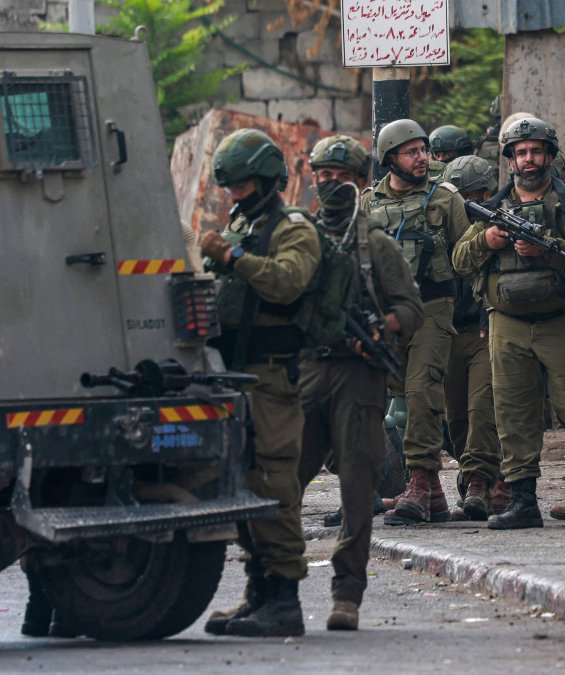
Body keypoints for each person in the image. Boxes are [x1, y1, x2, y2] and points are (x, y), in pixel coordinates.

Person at [452, 117, 565, 530]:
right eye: (520, 152)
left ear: (549, 156)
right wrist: (487, 240)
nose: (528, 159)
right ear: (510, 160)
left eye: (536, 151)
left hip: (564, 320)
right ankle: (522, 501)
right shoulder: (494, 209)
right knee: (513, 413)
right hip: (508, 323)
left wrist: (546, 249)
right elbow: (460, 259)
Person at [296, 135, 425, 630]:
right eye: (324, 177)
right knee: (281, 482)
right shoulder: (299, 238)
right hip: (308, 372)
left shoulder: (376, 245)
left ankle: (346, 595)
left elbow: (411, 309)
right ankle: (272, 586)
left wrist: (380, 328)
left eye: (343, 178)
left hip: (358, 377)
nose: (332, 186)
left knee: (356, 488)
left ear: (360, 182)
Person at [199, 128, 319, 637]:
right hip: (236, 373)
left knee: (274, 483)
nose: (236, 193)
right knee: (242, 484)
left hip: (272, 377)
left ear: (268, 179)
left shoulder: (293, 228)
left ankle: (284, 597)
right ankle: (259, 591)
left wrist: (232, 258)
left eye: (244, 184)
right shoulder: (241, 223)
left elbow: (289, 281)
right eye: (231, 186)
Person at [363, 118, 470, 525]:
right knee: (396, 402)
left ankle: (421, 483)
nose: (422, 158)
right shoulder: (368, 203)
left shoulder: (445, 198)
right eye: (412, 152)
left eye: (424, 150)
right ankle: (432, 495)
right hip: (388, 314)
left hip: (433, 307)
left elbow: (468, 256)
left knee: (423, 394)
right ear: (390, 159)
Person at [440, 154, 508, 520]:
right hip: (450, 331)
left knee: (483, 409)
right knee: (455, 419)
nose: (466, 206)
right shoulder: (442, 226)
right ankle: (475, 479)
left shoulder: (500, 225)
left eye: (472, 198)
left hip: (486, 328)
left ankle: (483, 482)